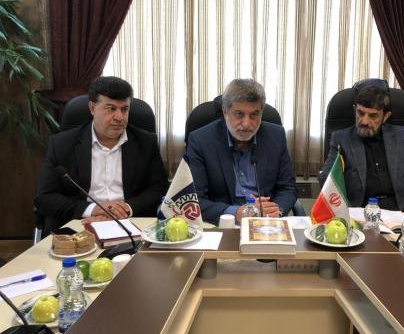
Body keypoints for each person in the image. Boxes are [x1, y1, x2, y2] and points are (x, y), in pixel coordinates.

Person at [35, 76, 168, 234]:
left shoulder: (146, 142)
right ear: (92, 108)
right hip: (80, 225)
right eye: (111, 108)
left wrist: (126, 208)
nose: (120, 117)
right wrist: (93, 209)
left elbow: (159, 188)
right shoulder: (62, 144)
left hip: (132, 224)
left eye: (124, 109)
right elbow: (45, 197)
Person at [186, 79, 297, 225]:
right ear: (225, 112)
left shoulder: (276, 136)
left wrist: (276, 210)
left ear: (261, 112)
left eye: (254, 114)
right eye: (239, 114)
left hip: (266, 225)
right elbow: (194, 200)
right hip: (222, 225)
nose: (246, 124)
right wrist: (237, 212)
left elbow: (288, 188)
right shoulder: (200, 140)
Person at [319, 85, 404, 215]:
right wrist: (345, 212)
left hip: (401, 212)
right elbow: (327, 179)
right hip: (359, 213)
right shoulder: (341, 139)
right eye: (360, 113)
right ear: (354, 110)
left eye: (373, 116)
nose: (364, 121)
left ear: (385, 116)